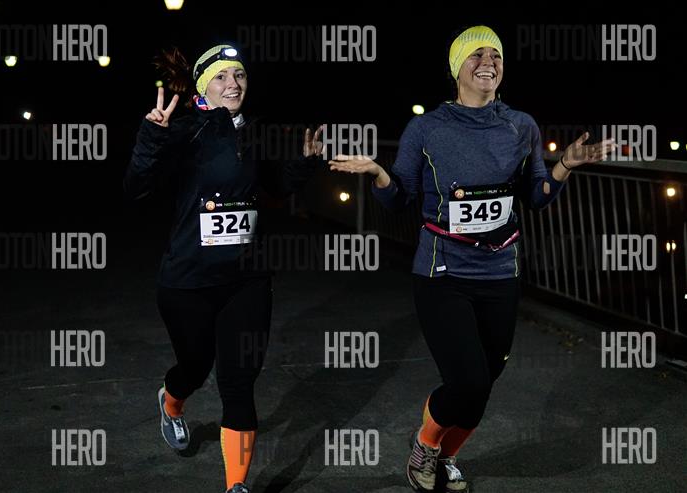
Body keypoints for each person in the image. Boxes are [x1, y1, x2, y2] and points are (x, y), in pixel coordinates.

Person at [328, 26, 616, 493]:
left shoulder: (521, 125)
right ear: (456, 67)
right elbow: (399, 199)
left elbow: (536, 196)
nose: (488, 62)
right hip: (443, 273)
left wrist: (564, 165)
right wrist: (379, 173)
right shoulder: (427, 128)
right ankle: (425, 446)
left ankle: (447, 457)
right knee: (468, 381)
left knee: (488, 378)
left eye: (495, 55)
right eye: (476, 55)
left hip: (500, 273)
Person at [123, 44, 324, 493]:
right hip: (188, 281)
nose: (233, 84)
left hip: (247, 281)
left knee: (238, 382)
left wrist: (304, 166)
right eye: (221, 77)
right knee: (195, 368)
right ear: (202, 88)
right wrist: (150, 138)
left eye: (239, 75)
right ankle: (172, 401)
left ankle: (236, 486)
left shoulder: (253, 132)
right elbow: (135, 188)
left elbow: (273, 186)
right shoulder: (182, 131)